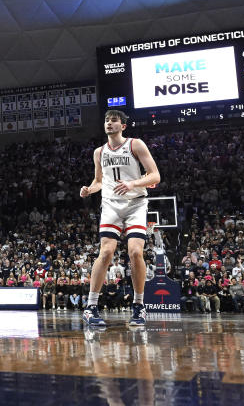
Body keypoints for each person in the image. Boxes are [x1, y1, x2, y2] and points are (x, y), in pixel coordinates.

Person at [80, 109, 161, 328]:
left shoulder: (136, 144)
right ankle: (91, 307)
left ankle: (139, 305)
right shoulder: (99, 152)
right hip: (111, 204)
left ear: (123, 126)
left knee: (135, 252)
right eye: (106, 120)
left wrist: (133, 183)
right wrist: (90, 189)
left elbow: (155, 175)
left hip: (135, 203)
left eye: (114, 121)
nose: (109, 123)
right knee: (106, 252)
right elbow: (99, 180)